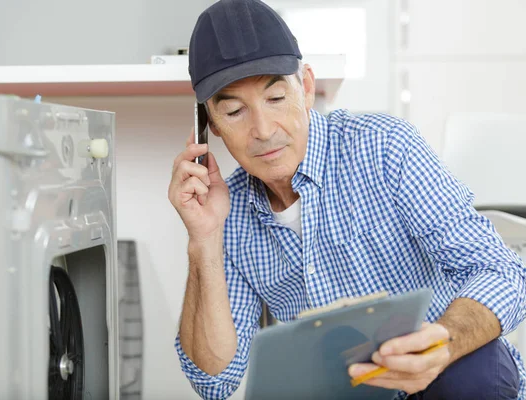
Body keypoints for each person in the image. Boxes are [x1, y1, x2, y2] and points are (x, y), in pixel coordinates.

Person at [167, 0, 526, 398]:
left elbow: (503, 272)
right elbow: (213, 380)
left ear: (304, 87)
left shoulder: (386, 147)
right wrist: (203, 239)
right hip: (345, 390)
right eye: (235, 111)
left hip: (445, 374)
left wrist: (444, 342)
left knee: (472, 374)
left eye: (275, 99)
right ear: (209, 125)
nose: (264, 130)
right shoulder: (226, 212)